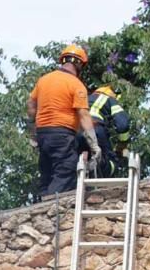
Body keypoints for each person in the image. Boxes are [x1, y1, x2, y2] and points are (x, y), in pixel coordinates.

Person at [26, 45, 101, 197]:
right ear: (79, 64)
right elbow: (84, 115)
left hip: (43, 134)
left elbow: (31, 105)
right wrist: (94, 145)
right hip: (62, 134)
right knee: (67, 169)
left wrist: (33, 133)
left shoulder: (43, 80)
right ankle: (50, 209)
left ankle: (40, 206)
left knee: (47, 172)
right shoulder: (76, 85)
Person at [79, 85, 130, 178]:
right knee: (111, 160)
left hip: (77, 132)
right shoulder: (110, 99)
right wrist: (122, 145)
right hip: (96, 129)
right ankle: (102, 168)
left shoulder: (87, 99)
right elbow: (123, 125)